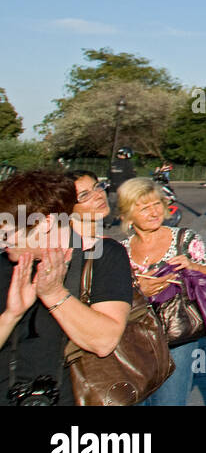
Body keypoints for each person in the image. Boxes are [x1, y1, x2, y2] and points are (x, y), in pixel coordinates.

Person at [0, 170, 132, 407]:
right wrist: (11, 316)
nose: (2, 237)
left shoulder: (101, 256)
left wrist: (54, 294)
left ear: (46, 223)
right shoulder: (4, 263)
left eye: (8, 229)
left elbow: (103, 341)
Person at [118, 177, 206, 406]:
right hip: (137, 337)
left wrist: (192, 266)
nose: (154, 212)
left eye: (157, 205)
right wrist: (139, 288)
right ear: (127, 215)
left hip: (178, 334)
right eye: (144, 208)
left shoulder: (184, 238)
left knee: (170, 400)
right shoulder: (121, 251)